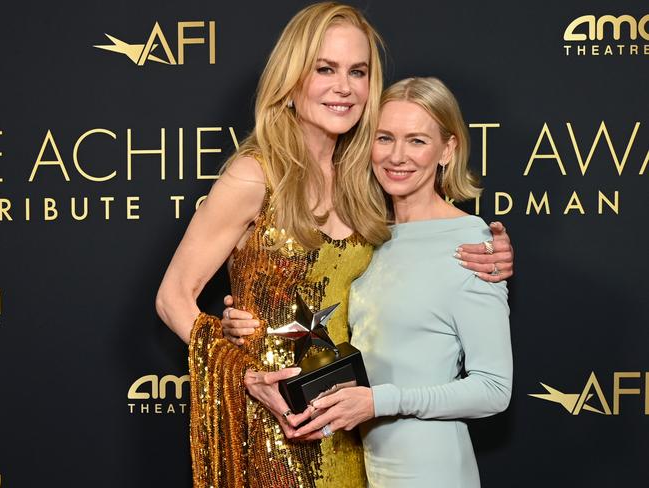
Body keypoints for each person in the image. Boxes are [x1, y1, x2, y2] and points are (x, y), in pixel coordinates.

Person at [156, 3, 512, 487]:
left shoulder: (367, 178)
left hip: (354, 433)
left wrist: (490, 255)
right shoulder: (255, 174)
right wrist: (244, 370)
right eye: (325, 68)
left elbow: (417, 253)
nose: (343, 87)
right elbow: (173, 297)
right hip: (278, 424)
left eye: (358, 71)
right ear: (292, 78)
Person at [290, 77, 513, 488]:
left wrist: (381, 401)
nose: (397, 156)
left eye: (416, 141)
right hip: (368, 467)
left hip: (433, 471)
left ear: (448, 149)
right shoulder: (370, 237)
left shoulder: (470, 243)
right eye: (384, 138)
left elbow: (494, 389)